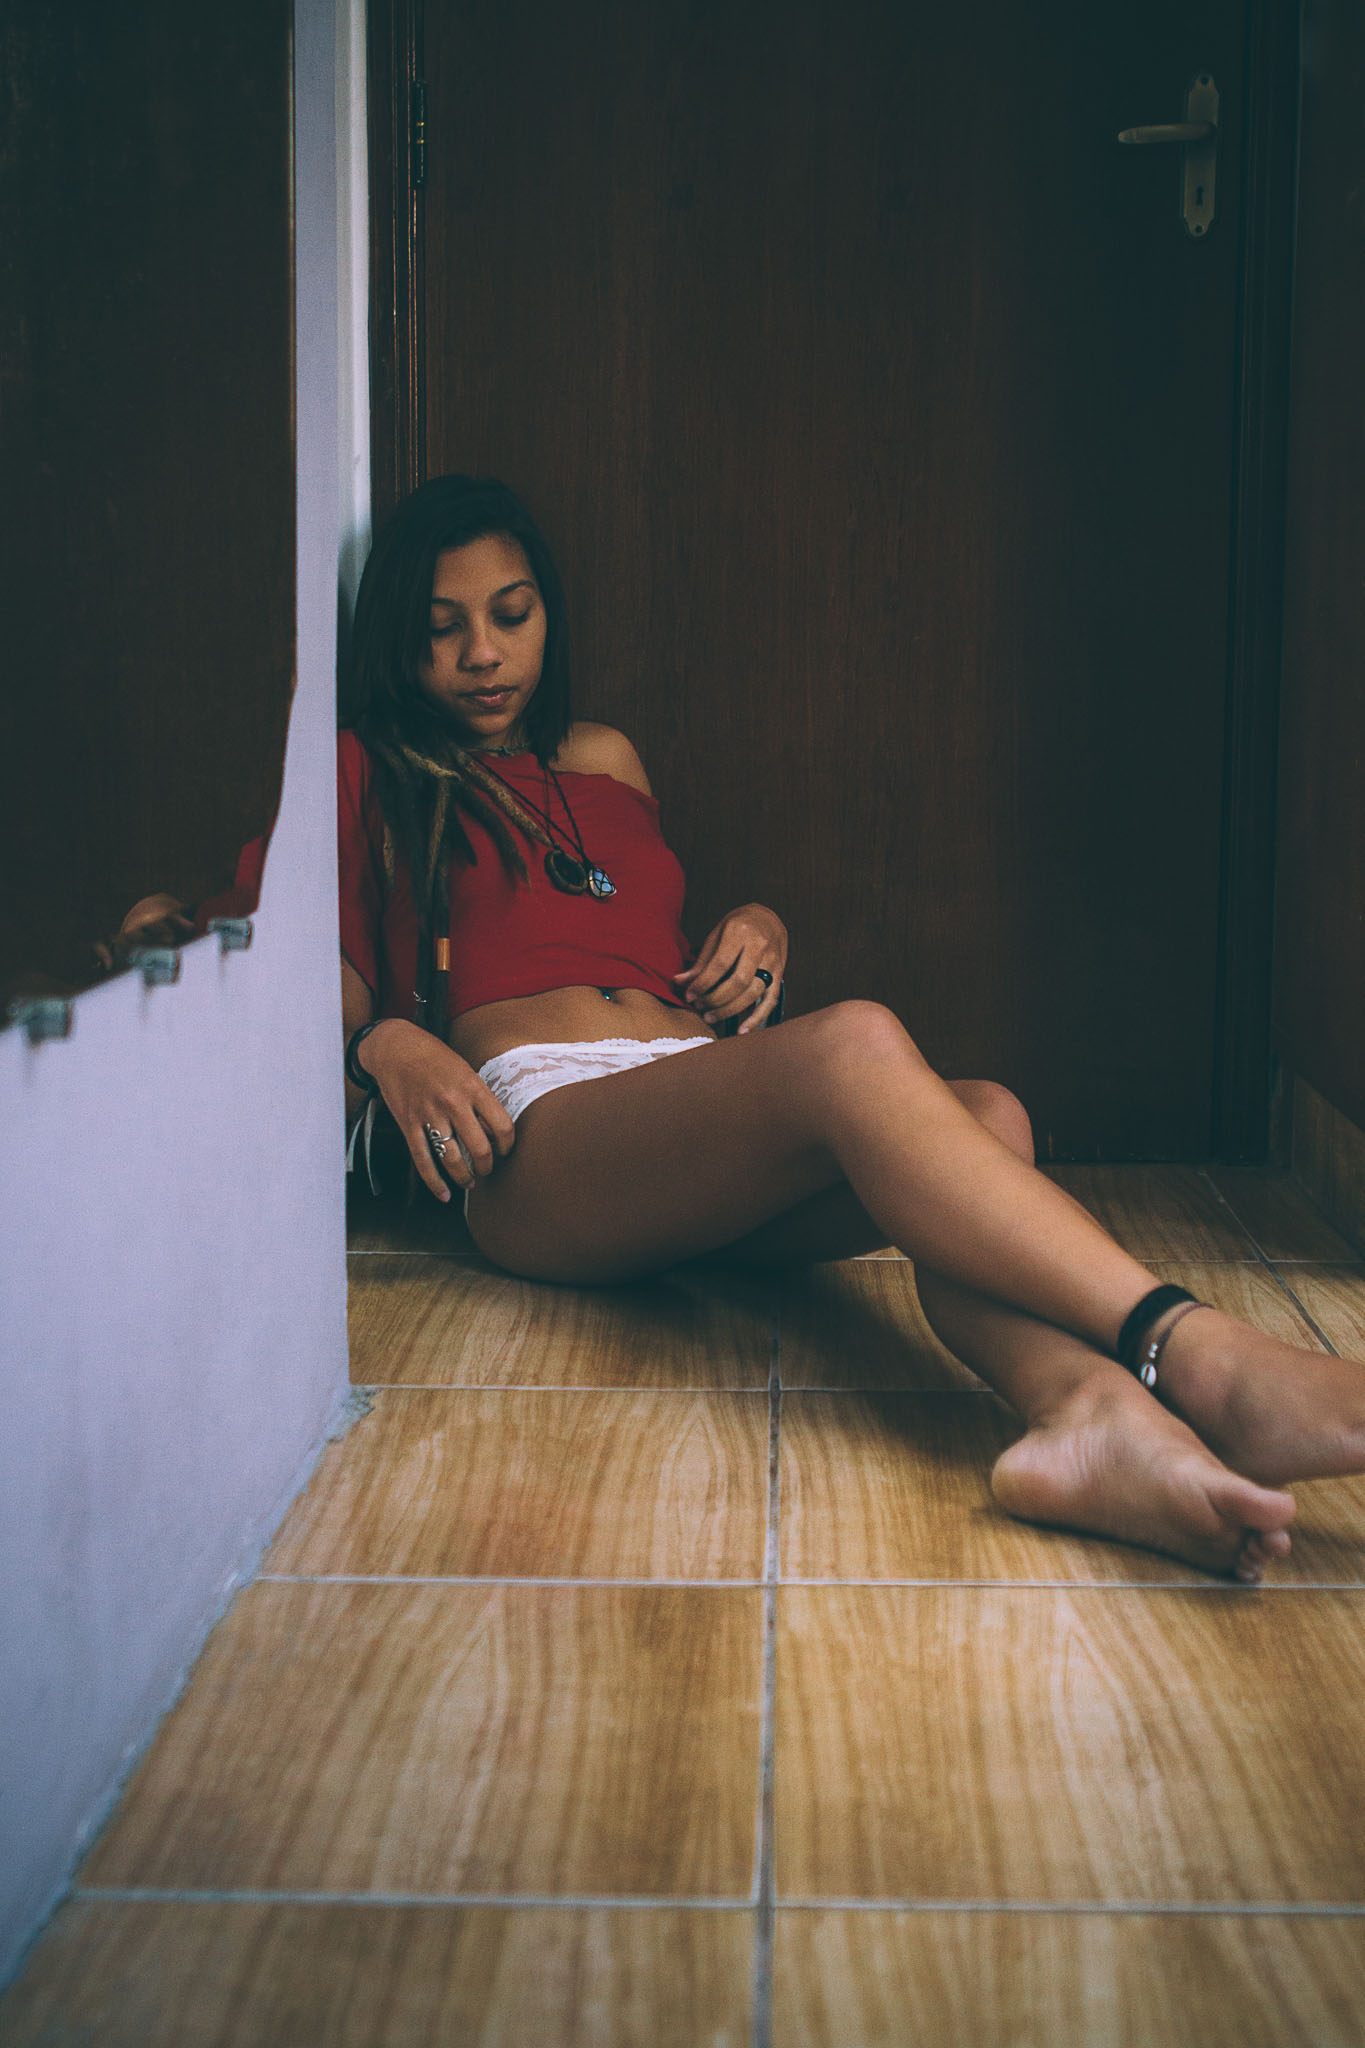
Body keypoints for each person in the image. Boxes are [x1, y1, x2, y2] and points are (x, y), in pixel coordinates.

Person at [340, 474, 1365, 1585]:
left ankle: (1089, 1417)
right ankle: (1202, 1358)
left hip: (675, 1102)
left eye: (512, 613)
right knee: (857, 1042)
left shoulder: (606, 758)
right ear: (398, 639)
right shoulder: (362, 768)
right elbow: (297, 970)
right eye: (441, 629)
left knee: (989, 1117)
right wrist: (384, 1043)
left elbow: (625, 941)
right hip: (540, 1132)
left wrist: (756, 927)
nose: (483, 654)